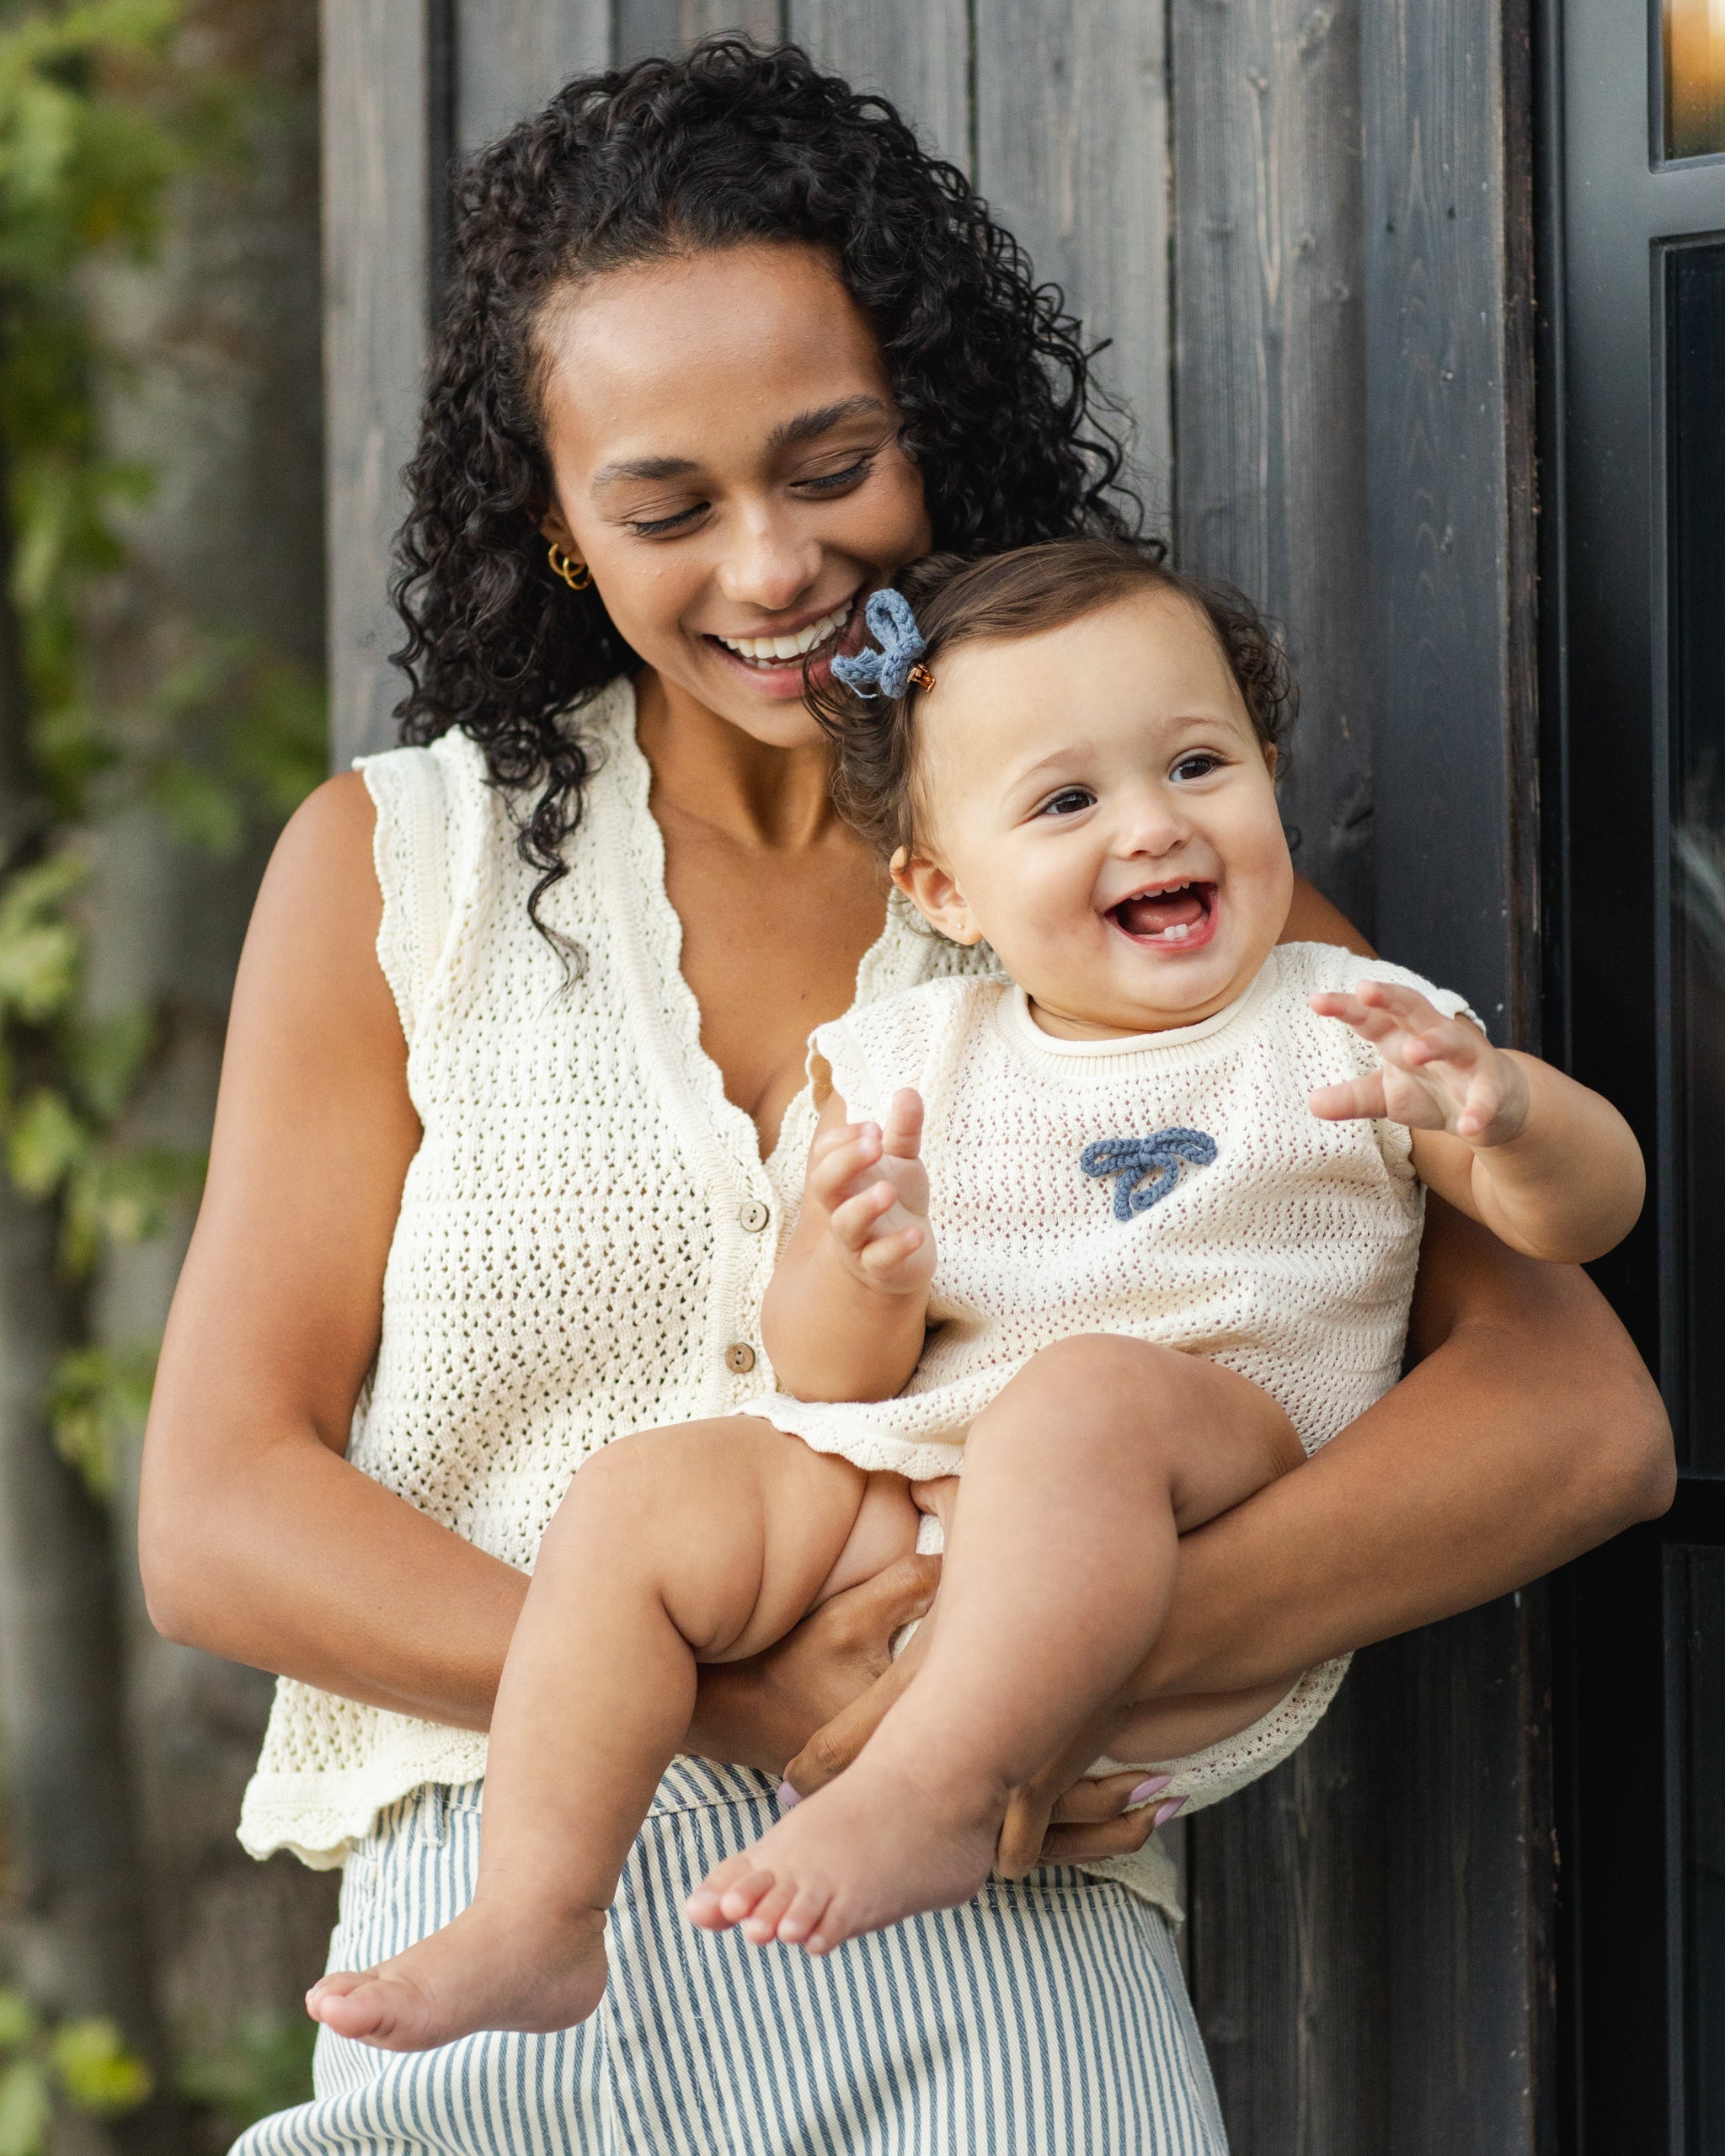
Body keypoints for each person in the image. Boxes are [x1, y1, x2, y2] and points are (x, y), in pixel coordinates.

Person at [137, 40, 1673, 2156]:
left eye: (830, 462)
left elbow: (1574, 1421)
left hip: (1001, 1932)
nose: (769, 567)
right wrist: (747, 1698)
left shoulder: (1117, 865)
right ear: (559, 530)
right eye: (664, 506)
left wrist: (1005, 1699)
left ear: (930, 433)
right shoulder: (402, 872)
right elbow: (219, 1509)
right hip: (502, 1917)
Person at [301, 542, 1645, 2049]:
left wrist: (1512, 1115)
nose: (1150, 826)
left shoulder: (1343, 1021)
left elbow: (1589, 1220)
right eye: (1067, 803)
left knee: (1081, 1400)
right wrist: (856, 1267)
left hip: (1204, 1504)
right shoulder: (911, 1059)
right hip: (935, 1503)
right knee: (635, 1499)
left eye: (1197, 765)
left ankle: (935, 1792)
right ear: (945, 886)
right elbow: (829, 1384)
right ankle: (536, 1917)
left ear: (1268, 773)